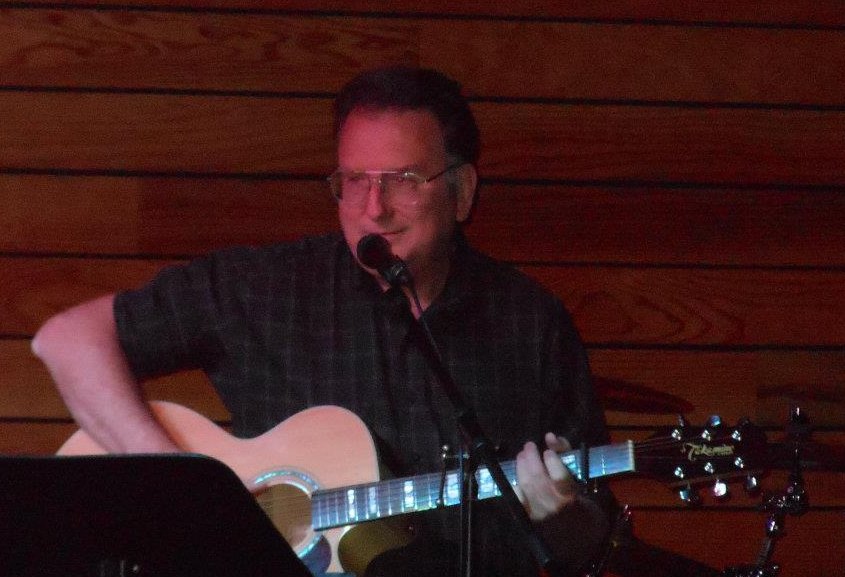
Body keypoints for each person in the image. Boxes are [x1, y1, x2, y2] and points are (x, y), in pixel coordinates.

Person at [32, 66, 616, 577]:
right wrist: (187, 489)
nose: (373, 208)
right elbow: (67, 339)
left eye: (403, 180)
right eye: (354, 181)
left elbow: (588, 544)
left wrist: (561, 516)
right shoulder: (265, 288)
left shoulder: (531, 323)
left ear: (461, 192)